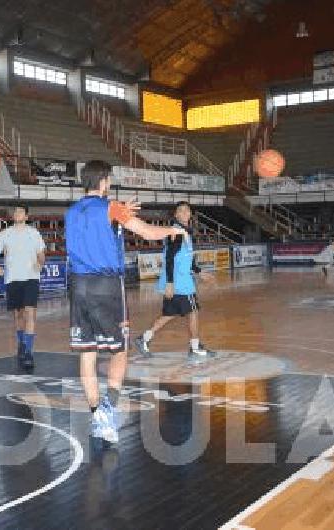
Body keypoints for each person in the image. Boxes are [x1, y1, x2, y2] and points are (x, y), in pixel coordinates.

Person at [65, 160, 187, 444]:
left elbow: (98, 225)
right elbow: (146, 232)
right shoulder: (110, 208)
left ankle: (97, 414)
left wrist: (117, 215)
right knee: (119, 351)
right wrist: (174, 231)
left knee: (88, 353)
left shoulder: (71, 211)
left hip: (78, 285)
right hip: (106, 286)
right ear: (105, 181)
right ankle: (109, 406)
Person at [133, 201, 217, 362]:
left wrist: (199, 272)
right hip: (180, 282)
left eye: (187, 210)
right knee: (193, 312)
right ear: (176, 215)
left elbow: (186, 258)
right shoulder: (176, 232)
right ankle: (195, 348)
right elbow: (170, 257)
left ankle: (143, 338)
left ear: (190, 214)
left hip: (177, 279)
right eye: (181, 210)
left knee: (169, 314)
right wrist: (170, 283)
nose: (185, 213)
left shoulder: (184, 232)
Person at [0, 204, 46, 369]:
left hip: (31, 278)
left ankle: (28, 352)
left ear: (26, 216)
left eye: (21, 211)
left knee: (30, 313)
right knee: (18, 315)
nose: (17, 213)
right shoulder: (5, 234)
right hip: (13, 279)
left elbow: (41, 254)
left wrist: (40, 264)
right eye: (15, 211)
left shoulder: (34, 234)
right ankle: (21, 344)